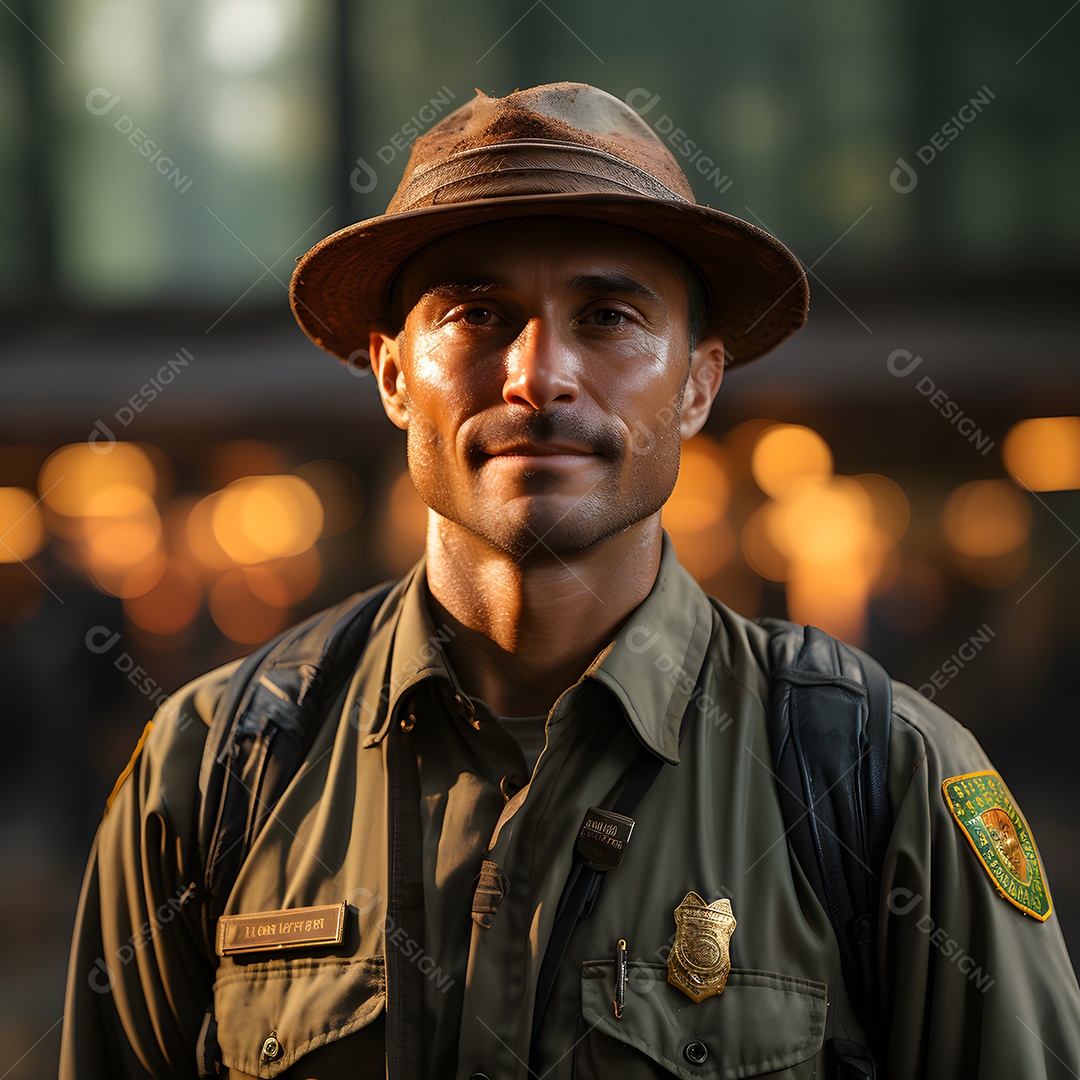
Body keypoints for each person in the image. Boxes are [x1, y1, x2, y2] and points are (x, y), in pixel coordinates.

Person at [60, 82, 1080, 1079]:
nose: (539, 374)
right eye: (476, 312)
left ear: (697, 384)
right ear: (391, 375)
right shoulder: (206, 775)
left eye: (608, 316)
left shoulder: (879, 778)